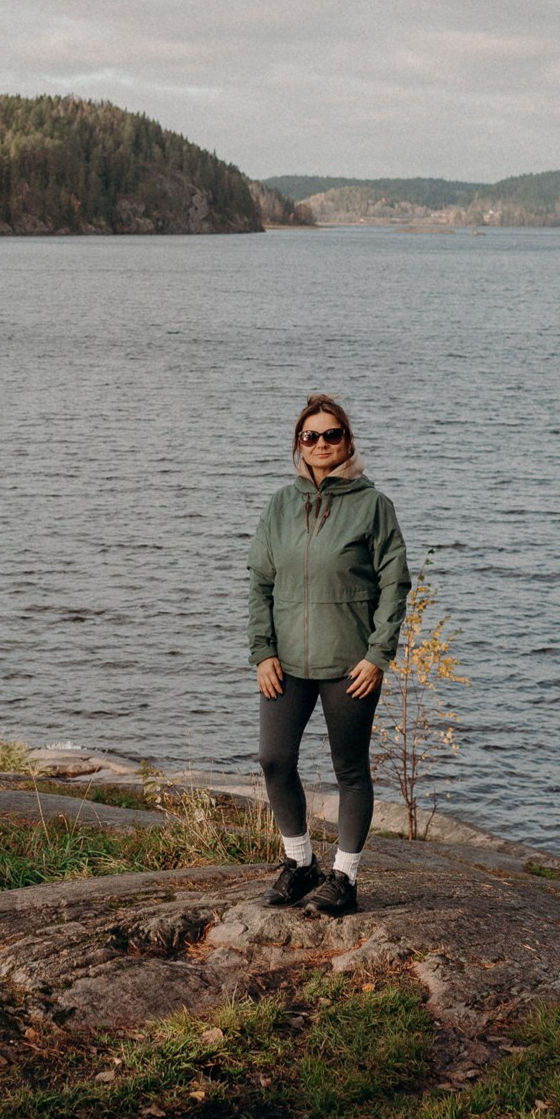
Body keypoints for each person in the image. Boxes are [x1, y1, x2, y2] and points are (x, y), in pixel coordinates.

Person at [248, 393, 410, 918]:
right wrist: (263, 651)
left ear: (348, 440)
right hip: (287, 662)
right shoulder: (280, 504)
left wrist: (377, 655)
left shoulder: (373, 505)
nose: (321, 444)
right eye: (310, 436)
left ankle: (344, 877)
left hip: (351, 665)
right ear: (299, 444)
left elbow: (395, 584)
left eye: (331, 434)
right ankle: (300, 864)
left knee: (350, 770)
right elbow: (260, 582)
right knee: (275, 759)